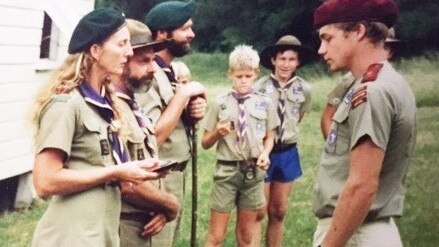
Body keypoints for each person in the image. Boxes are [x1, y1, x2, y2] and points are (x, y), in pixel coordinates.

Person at [29, 8, 161, 247]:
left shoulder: (104, 104)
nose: (129, 52)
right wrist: (115, 172)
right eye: (122, 44)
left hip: (101, 235)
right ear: (96, 51)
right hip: (70, 237)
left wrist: (133, 169)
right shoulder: (66, 103)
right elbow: (45, 181)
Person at [312, 0, 417, 246]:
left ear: (358, 32)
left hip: (355, 233)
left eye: (328, 38)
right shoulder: (375, 83)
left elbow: (362, 186)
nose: (321, 49)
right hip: (358, 230)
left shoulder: (373, 91)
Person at [136, 1, 207, 245]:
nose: (192, 34)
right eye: (185, 28)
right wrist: (183, 96)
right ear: (163, 34)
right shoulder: (147, 75)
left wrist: (191, 114)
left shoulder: (169, 72)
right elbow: (151, 136)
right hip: (157, 180)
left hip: (174, 176)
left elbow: (171, 120)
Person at [111, 19, 181, 247]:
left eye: (153, 60)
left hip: (147, 221)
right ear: (122, 60)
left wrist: (159, 205)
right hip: (125, 227)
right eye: (144, 61)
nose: (152, 68)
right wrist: (169, 203)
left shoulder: (131, 104)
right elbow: (125, 182)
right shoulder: (112, 111)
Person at [202, 45, 278, 247]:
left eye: (247, 75)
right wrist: (217, 133)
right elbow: (205, 142)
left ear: (256, 74)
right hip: (226, 173)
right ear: (230, 75)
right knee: (216, 235)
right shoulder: (220, 103)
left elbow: (270, 136)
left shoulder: (265, 103)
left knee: (246, 235)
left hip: (253, 173)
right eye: (239, 76)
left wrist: (266, 153)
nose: (243, 80)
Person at [253, 35, 312, 247]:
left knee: (278, 211)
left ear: (298, 62)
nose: (286, 64)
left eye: (291, 59)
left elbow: (299, 116)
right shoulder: (259, 87)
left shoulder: (304, 89)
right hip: (263, 152)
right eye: (282, 59)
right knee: (258, 211)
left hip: (287, 152)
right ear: (273, 60)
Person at [321, 27, 403, 140]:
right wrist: (334, 144)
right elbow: (328, 116)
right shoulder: (349, 80)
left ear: (390, 52)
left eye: (383, 47)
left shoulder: (394, 84)